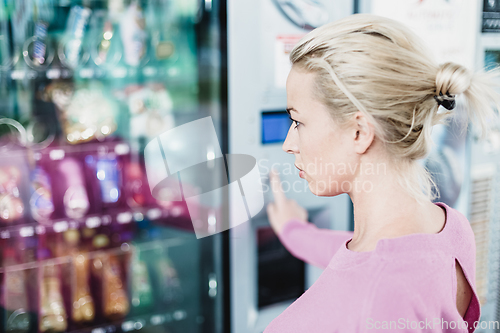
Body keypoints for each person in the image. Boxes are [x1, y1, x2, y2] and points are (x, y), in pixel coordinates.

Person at [264, 13, 500, 333]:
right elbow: (367, 257)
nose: (289, 144)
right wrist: (294, 231)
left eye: (298, 122)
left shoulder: (371, 303)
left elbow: (373, 276)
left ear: (360, 132)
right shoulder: (451, 228)